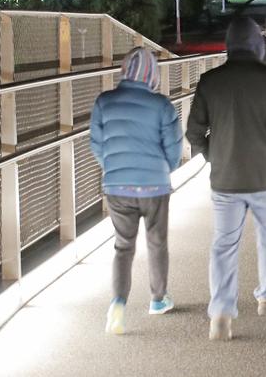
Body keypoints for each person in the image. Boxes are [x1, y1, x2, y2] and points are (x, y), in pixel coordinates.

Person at [186, 17, 266, 341]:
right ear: (257, 44)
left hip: (225, 178)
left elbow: (194, 132)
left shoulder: (210, 81)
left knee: (223, 245)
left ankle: (221, 312)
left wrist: (213, 155)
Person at [90, 47, 183, 335]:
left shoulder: (104, 102)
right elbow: (174, 148)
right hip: (155, 186)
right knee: (157, 242)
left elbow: (97, 143)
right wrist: (162, 170)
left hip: (117, 185)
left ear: (124, 71)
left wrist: (113, 167)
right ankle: (157, 299)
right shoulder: (162, 105)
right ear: (152, 75)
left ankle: (118, 303)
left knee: (123, 246)